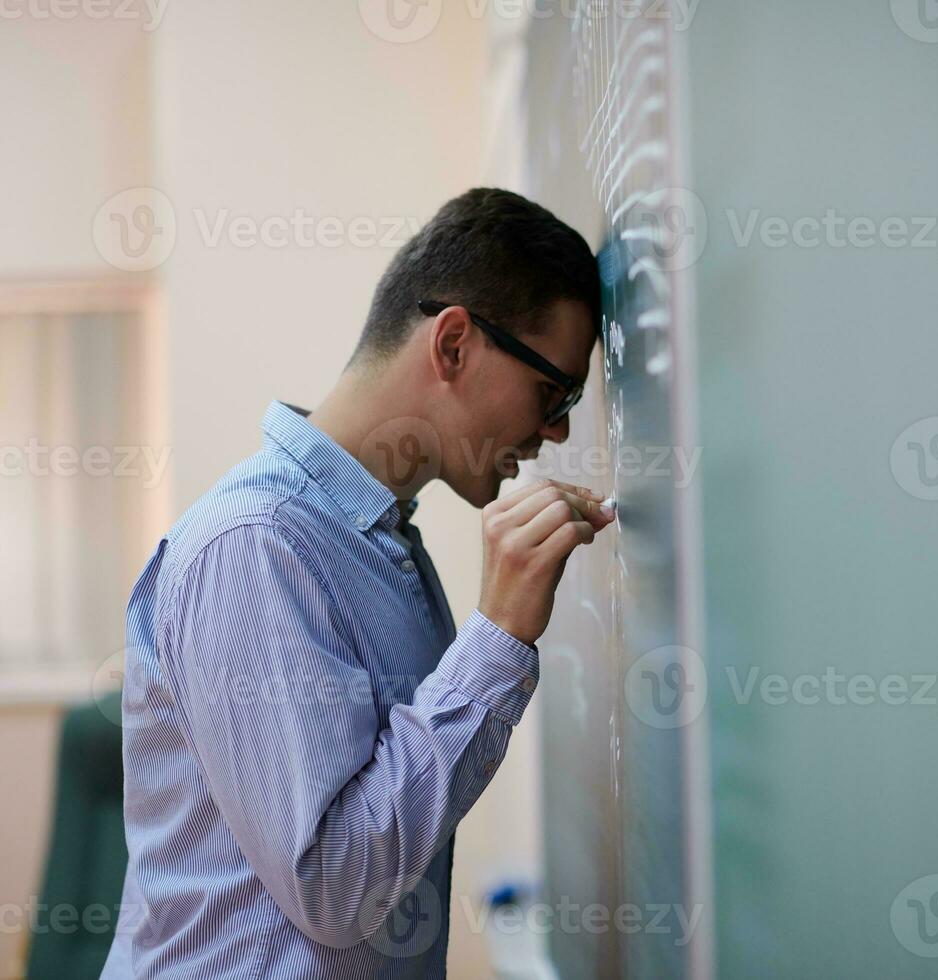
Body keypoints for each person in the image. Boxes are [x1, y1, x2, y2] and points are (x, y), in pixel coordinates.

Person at [101, 188, 613, 978]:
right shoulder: (257, 547)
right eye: (554, 393)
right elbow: (337, 888)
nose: (558, 433)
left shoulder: (378, 546)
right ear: (452, 346)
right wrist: (499, 637)